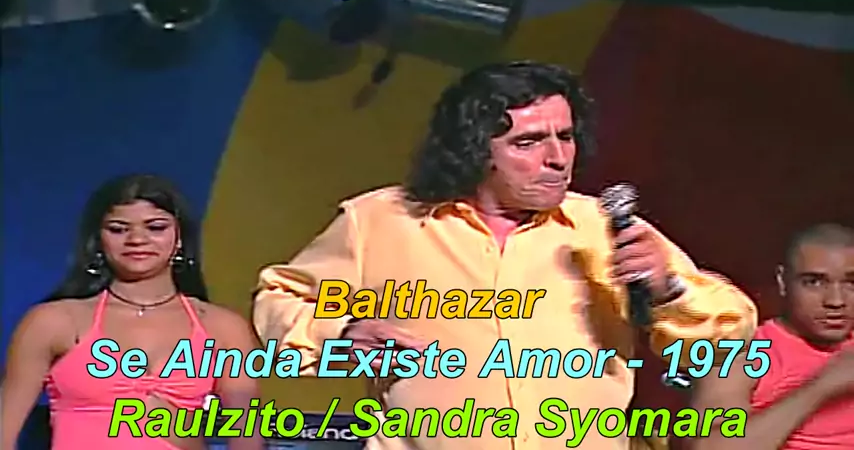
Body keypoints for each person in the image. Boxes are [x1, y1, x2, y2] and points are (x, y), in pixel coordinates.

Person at [252, 61, 758, 449]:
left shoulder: (603, 228)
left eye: (565, 137)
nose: (557, 158)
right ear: (474, 150)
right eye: (529, 142)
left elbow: (730, 328)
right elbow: (279, 297)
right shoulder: (380, 221)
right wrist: (341, 334)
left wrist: (669, 289)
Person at [1, 174, 263, 450]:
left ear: (180, 238)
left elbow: (247, 436)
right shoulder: (54, 322)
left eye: (155, 227)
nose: (137, 239)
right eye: (118, 229)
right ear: (98, 239)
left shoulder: (222, 328)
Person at [689, 223, 854, 450]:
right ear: (782, 282)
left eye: (851, 283)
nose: (836, 301)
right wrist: (822, 386)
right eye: (814, 282)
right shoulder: (741, 351)